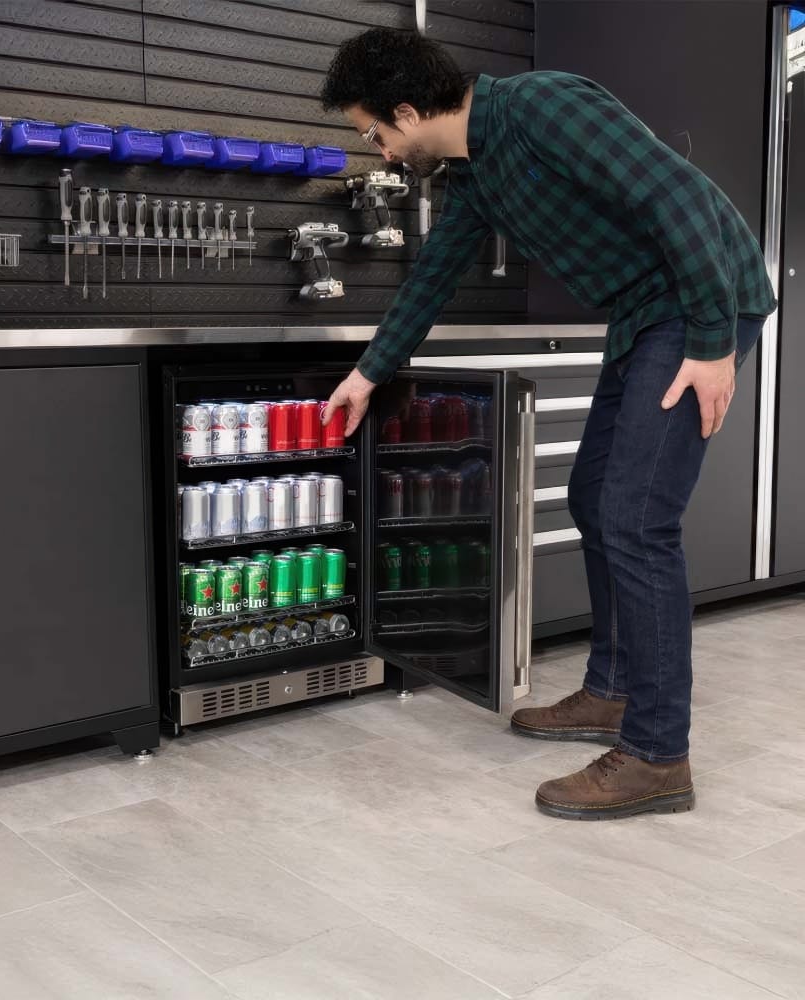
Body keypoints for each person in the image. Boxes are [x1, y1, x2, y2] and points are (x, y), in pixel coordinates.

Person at [319, 28, 777, 820]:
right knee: (598, 498)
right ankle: (613, 693)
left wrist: (710, 339)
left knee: (638, 519)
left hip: (697, 304)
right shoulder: (476, 176)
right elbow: (431, 278)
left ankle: (659, 755)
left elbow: (679, 197)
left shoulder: (542, 108)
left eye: (376, 133)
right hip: (646, 313)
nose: (383, 152)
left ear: (406, 110)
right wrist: (368, 375)